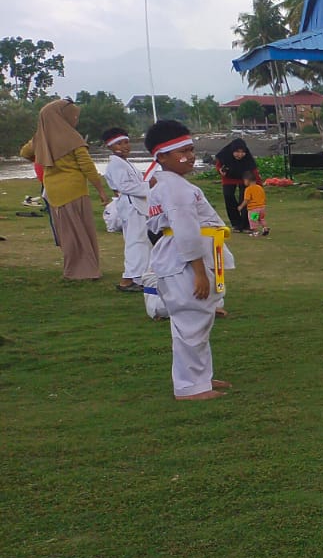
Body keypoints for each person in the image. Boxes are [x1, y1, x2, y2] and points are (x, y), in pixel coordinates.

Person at [144, 119, 233, 401]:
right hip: (184, 264)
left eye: (191, 149)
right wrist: (198, 272)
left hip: (184, 259)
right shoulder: (175, 188)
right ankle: (189, 387)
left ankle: (200, 378)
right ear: (162, 157)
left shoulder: (171, 183)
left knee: (195, 322)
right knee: (192, 324)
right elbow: (184, 230)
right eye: (182, 151)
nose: (190, 156)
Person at [20, 99, 111, 281]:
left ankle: (74, 268)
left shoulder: (41, 138)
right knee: (81, 230)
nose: (75, 119)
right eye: (74, 116)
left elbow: (25, 153)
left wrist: (45, 160)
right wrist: (101, 190)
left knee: (68, 232)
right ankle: (86, 269)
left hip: (53, 192)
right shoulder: (72, 138)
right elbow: (87, 167)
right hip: (74, 190)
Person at [103, 128, 152, 292]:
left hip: (136, 204)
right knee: (135, 241)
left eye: (126, 142)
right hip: (131, 205)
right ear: (110, 146)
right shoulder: (115, 164)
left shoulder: (124, 162)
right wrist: (148, 185)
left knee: (141, 241)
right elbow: (125, 186)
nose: (125, 146)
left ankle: (139, 277)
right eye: (119, 143)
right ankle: (128, 279)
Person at [212, 138, 259, 233]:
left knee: (245, 200)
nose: (240, 155)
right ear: (232, 151)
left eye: (242, 152)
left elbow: (254, 172)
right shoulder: (224, 154)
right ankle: (236, 224)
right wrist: (220, 171)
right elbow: (218, 166)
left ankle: (246, 225)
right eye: (237, 152)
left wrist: (258, 186)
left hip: (245, 178)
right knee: (229, 197)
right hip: (228, 177)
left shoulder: (248, 158)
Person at [241, 171, 268, 237]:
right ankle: (265, 228)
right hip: (262, 207)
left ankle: (255, 232)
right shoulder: (260, 187)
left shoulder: (248, 189)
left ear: (247, 180)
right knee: (261, 219)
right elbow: (263, 197)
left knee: (253, 220)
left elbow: (246, 200)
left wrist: (241, 206)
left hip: (254, 209)